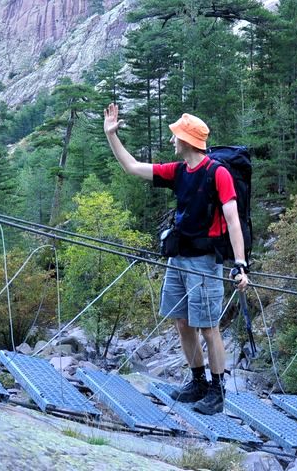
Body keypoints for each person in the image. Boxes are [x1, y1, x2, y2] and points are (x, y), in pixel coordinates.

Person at [103, 103, 249, 415]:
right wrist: (111, 136)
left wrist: (240, 264)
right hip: (179, 259)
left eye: (175, 136)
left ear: (187, 141)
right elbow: (132, 168)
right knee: (182, 323)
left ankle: (217, 390)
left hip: (206, 263)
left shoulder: (218, 173)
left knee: (209, 327)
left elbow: (233, 220)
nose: (172, 140)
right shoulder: (179, 171)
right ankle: (198, 381)